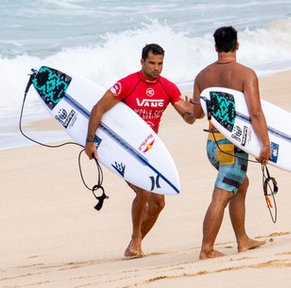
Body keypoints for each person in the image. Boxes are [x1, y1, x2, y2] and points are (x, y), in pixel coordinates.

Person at [85, 43, 195, 258]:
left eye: (160, 64)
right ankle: (136, 240)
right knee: (143, 191)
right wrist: (90, 141)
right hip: (124, 149)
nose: (156, 68)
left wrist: (193, 110)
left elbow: (188, 118)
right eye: (152, 63)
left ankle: (134, 243)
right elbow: (99, 108)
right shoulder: (128, 84)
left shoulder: (168, 87)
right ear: (142, 61)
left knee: (159, 202)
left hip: (149, 150)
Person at [189, 26, 271, 259]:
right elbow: (255, 113)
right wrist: (265, 145)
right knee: (222, 194)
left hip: (213, 144)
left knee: (241, 185)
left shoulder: (202, 76)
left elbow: (196, 114)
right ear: (237, 45)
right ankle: (206, 249)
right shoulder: (245, 74)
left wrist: (188, 108)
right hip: (233, 146)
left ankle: (242, 239)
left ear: (215, 47)